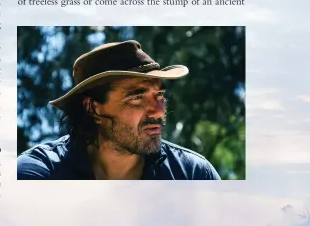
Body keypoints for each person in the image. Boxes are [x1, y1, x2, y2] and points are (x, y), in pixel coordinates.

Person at [17, 40, 221, 180]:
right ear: (93, 108)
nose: (157, 111)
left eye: (159, 95)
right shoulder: (39, 174)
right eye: (137, 98)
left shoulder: (192, 174)